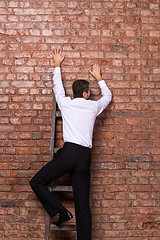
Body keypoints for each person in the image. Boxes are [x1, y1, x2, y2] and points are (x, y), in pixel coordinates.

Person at [29, 48, 112, 240]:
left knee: (36, 182)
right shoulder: (93, 106)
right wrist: (100, 78)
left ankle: (61, 211)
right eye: (89, 92)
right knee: (82, 204)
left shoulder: (66, 104)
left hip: (68, 154)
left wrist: (57, 65)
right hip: (84, 157)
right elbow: (107, 97)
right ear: (85, 93)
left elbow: (57, 87)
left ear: (74, 94)